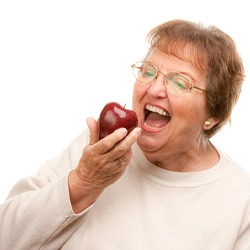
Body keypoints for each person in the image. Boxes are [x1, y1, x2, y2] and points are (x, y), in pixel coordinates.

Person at [0, 19, 249, 249]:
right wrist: (83, 183)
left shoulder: (240, 200)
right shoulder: (98, 150)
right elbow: (6, 237)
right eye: (149, 72)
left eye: (179, 82)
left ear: (213, 115)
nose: (154, 89)